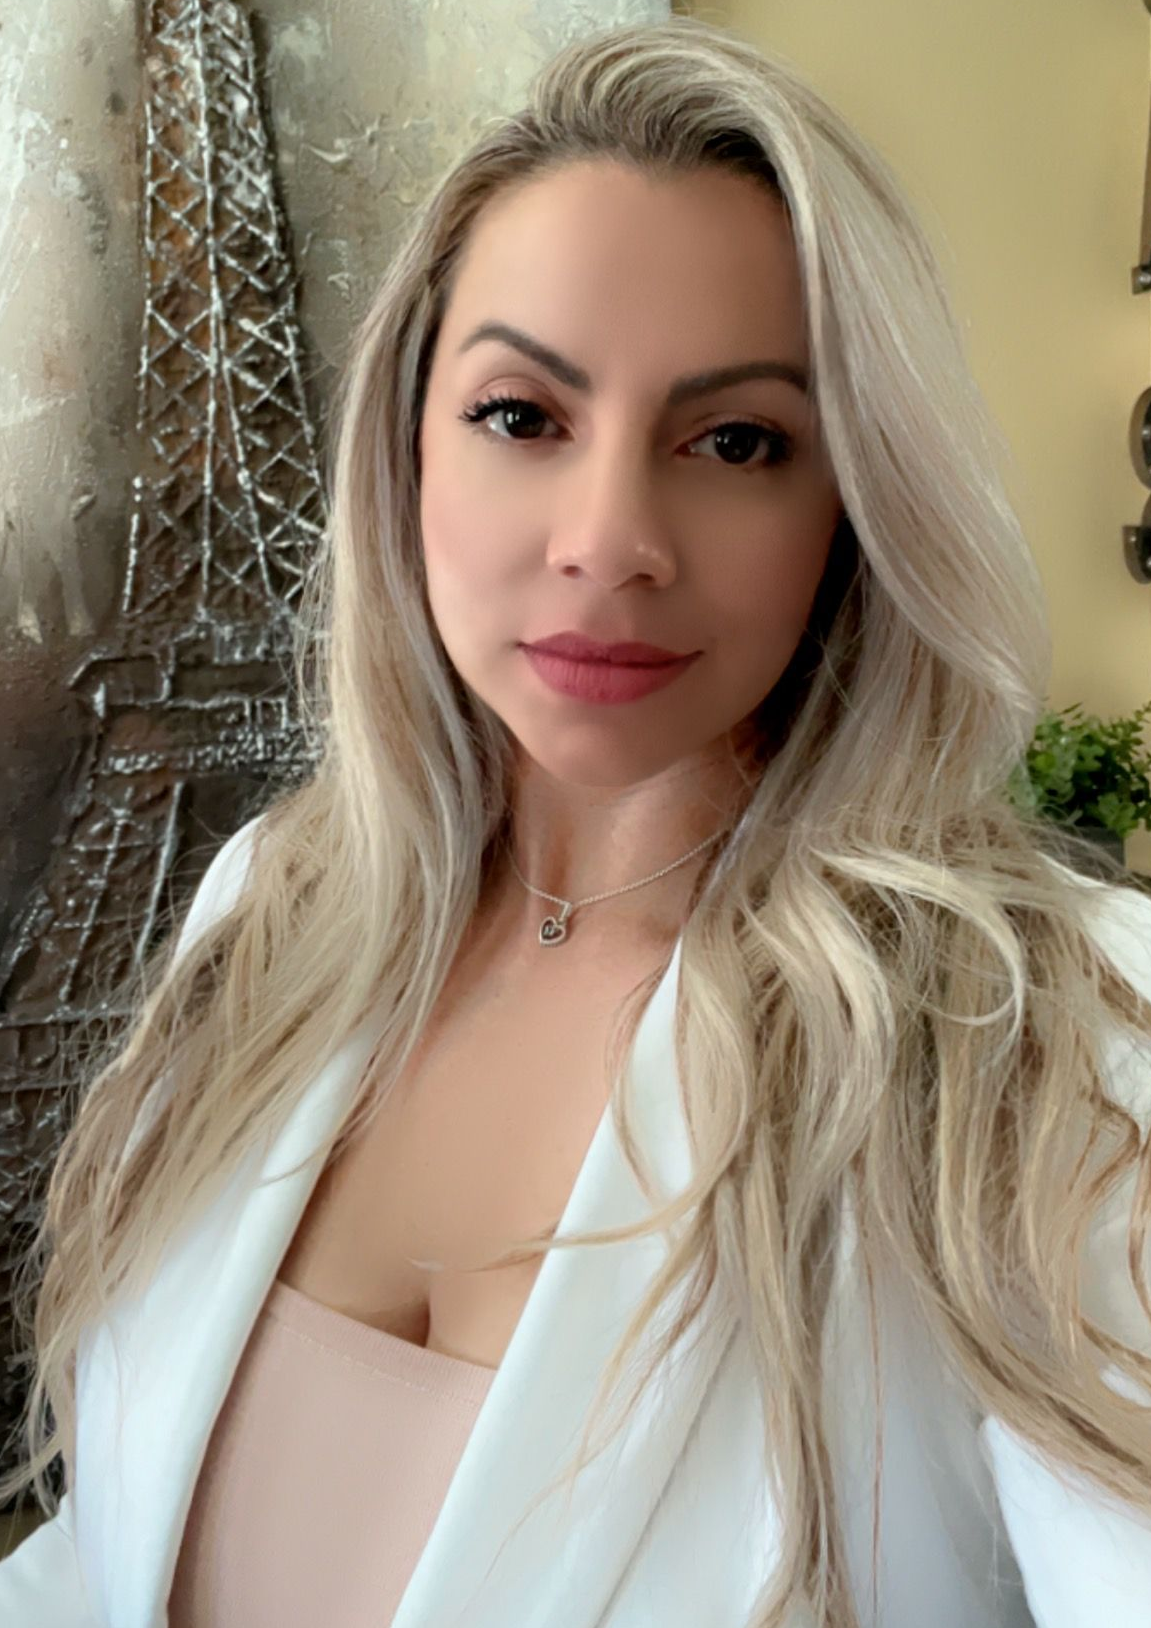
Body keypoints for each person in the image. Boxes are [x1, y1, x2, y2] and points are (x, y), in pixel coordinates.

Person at [3, 15, 1151, 1627]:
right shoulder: (271, 908)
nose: (610, 541)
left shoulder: (1050, 1035)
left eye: (737, 441)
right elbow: (109, 1547)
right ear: (405, 447)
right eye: (521, 417)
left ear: (854, 503)